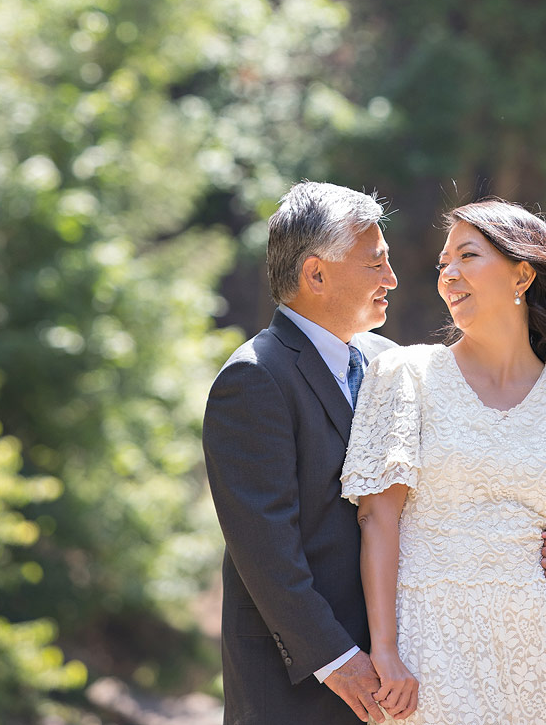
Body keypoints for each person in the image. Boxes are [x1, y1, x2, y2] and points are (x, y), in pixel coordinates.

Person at [341, 197, 546, 725]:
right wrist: (385, 650)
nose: (447, 274)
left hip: (544, 641)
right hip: (430, 638)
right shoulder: (405, 375)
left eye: (467, 256)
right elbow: (377, 518)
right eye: (442, 264)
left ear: (522, 275)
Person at [203, 181, 400, 725]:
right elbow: (266, 548)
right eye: (375, 264)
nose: (392, 279)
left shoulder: (391, 361)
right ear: (315, 274)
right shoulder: (254, 378)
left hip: (397, 672)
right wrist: (337, 661)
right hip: (299, 689)